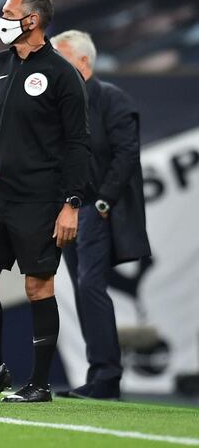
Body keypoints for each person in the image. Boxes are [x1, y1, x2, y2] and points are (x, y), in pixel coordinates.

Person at [0, 0, 91, 403]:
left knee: (38, 287)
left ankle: (39, 384)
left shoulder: (61, 74)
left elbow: (77, 145)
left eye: (8, 13)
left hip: (41, 198)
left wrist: (71, 204)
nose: (1, 18)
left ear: (31, 20)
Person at [51, 30, 151, 400]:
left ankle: (106, 377)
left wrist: (105, 201)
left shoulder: (111, 99)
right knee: (83, 287)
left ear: (83, 61)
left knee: (90, 285)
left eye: (60, 57)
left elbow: (127, 154)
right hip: (68, 209)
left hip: (95, 208)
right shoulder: (63, 104)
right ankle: (99, 375)